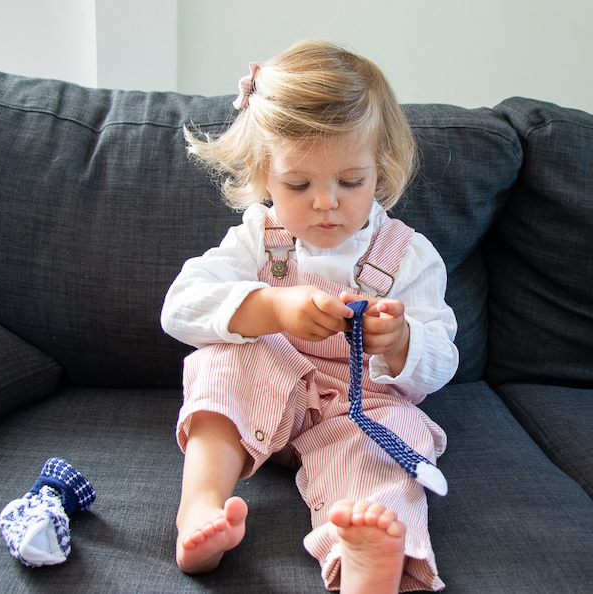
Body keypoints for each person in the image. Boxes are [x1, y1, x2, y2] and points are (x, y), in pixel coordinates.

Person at [161, 39, 458, 593]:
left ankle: (364, 560)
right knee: (221, 358)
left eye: (351, 182)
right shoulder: (261, 238)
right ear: (264, 175)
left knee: (386, 449)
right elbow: (179, 307)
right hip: (272, 399)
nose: (326, 203)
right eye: (299, 185)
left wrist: (400, 341)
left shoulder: (408, 256)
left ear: (381, 168)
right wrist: (270, 308)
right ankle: (200, 508)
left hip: (360, 410)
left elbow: (441, 363)